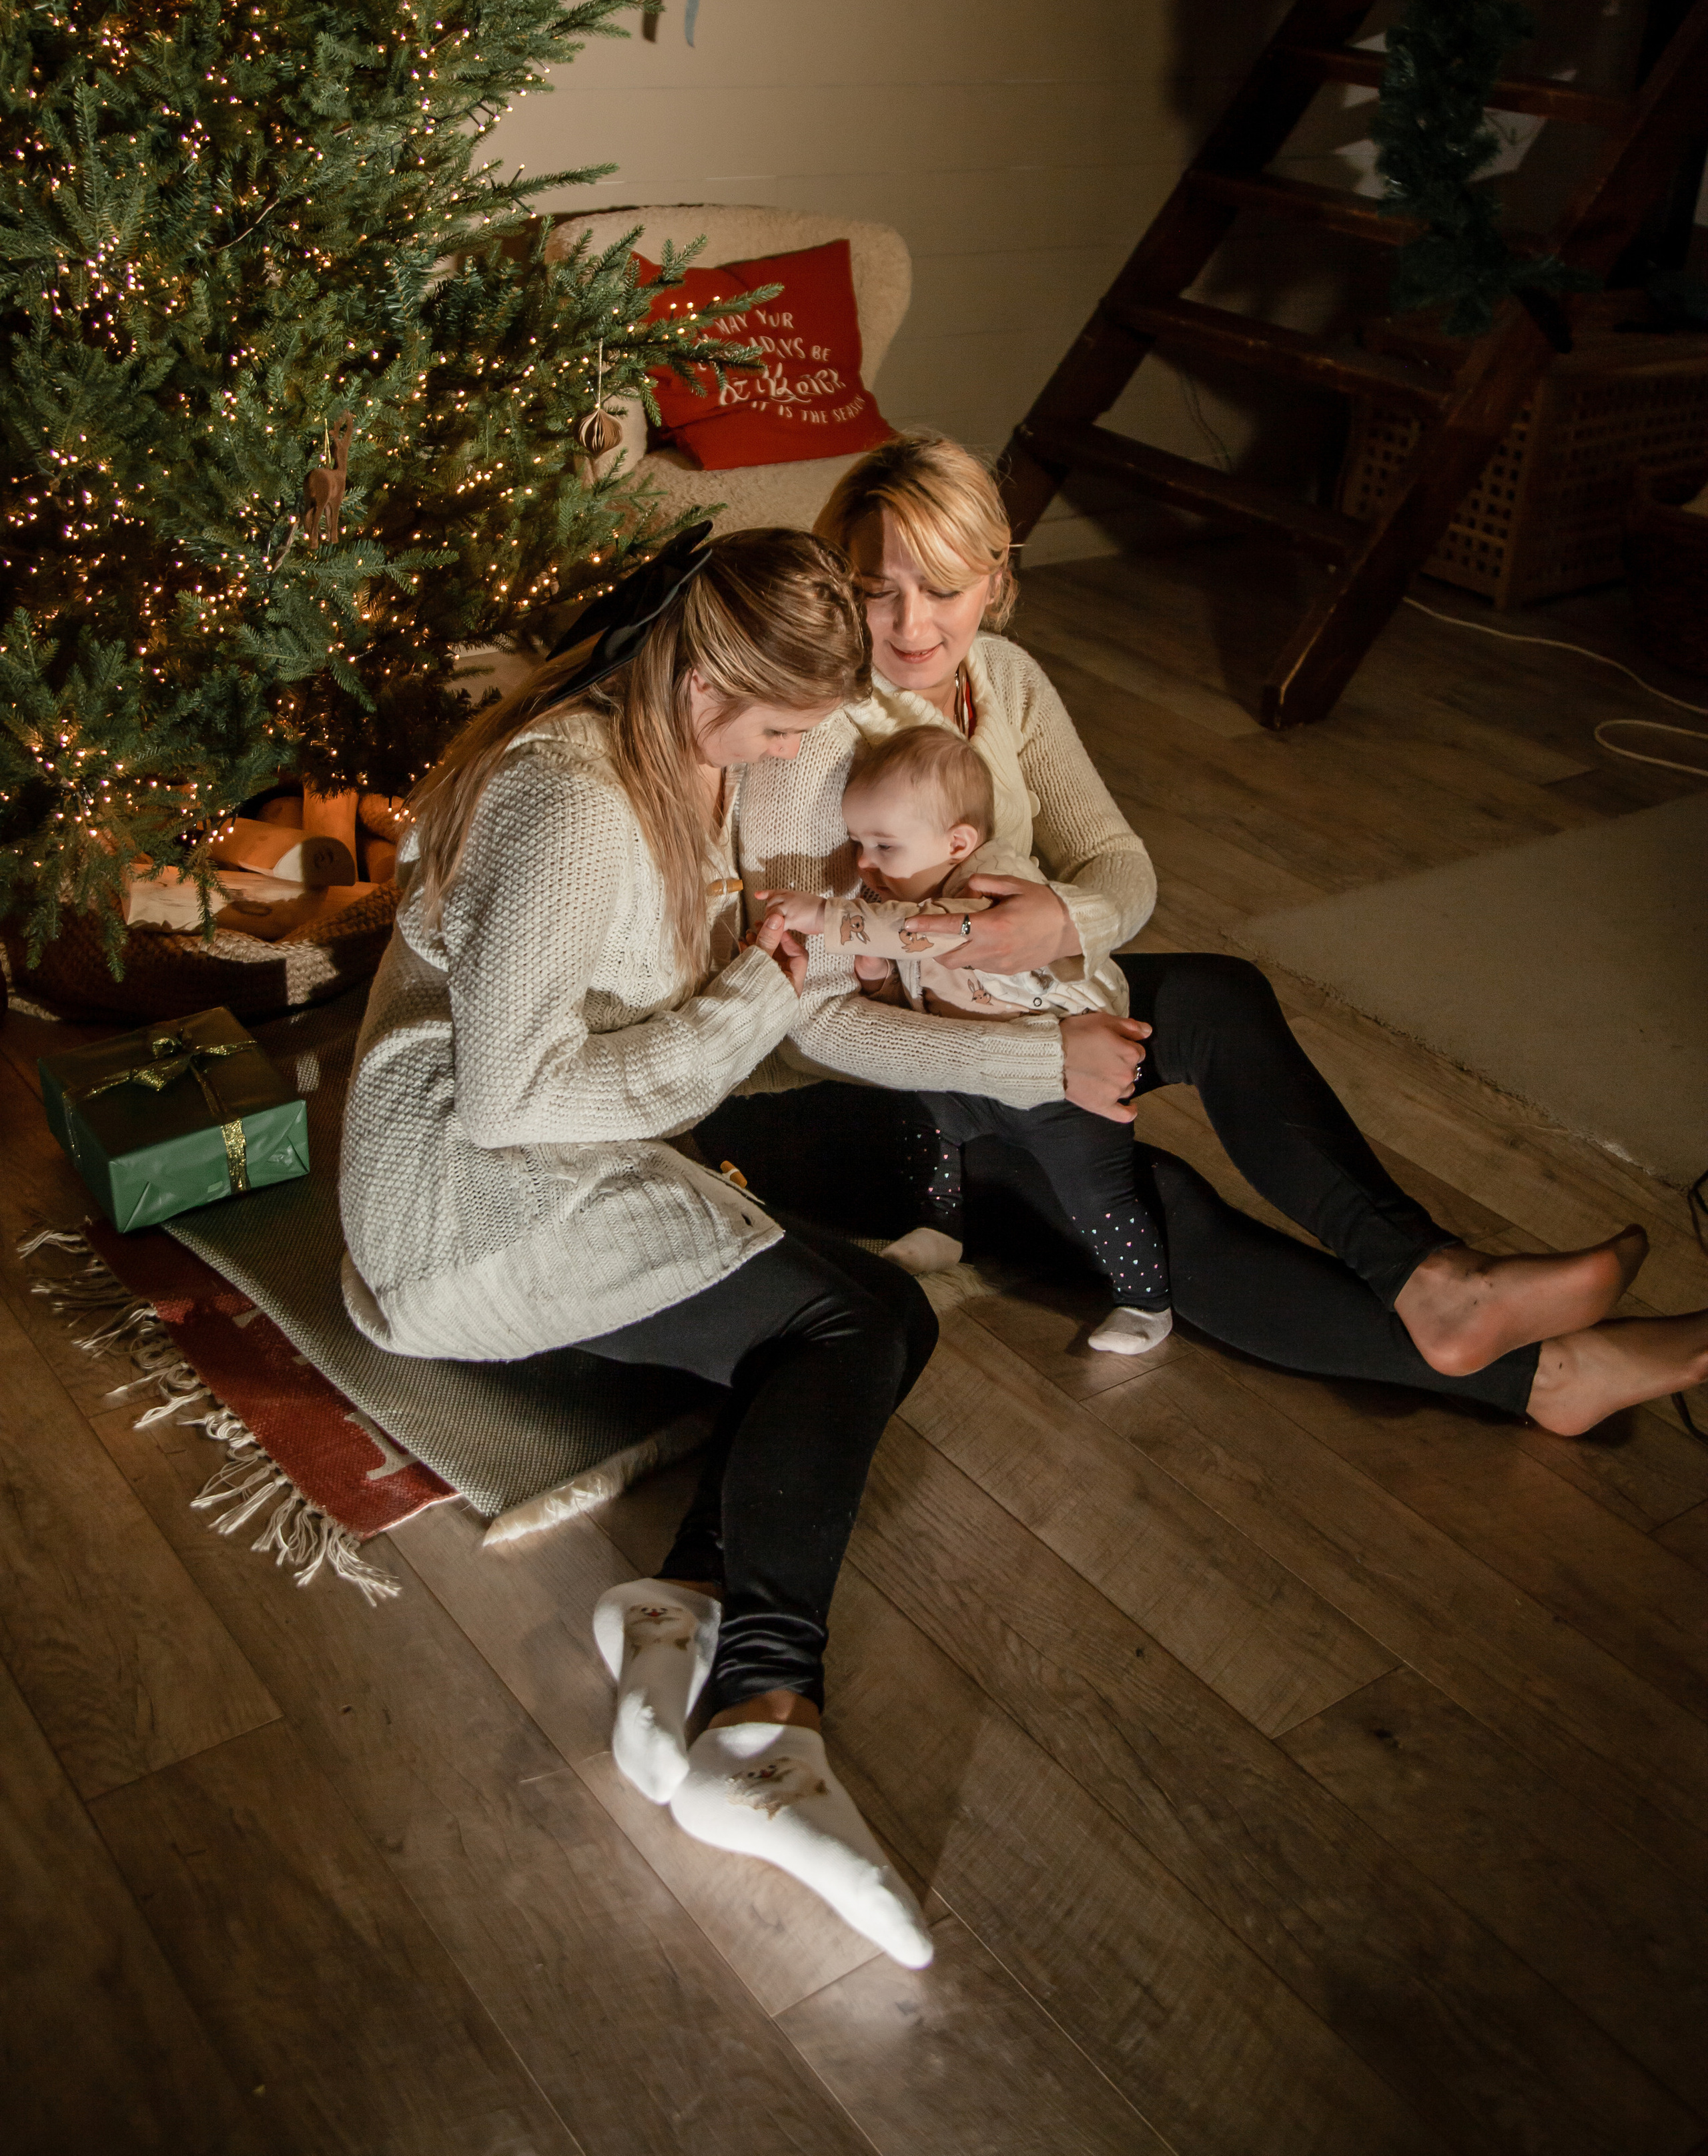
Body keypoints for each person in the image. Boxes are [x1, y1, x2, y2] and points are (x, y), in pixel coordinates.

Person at [706, 436, 1708, 1438]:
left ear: (997, 576)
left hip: (996, 1004)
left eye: (944, 586)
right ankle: (1542, 1378)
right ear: (841, 588)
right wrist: (1045, 1060)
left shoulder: (1001, 679)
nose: (914, 624)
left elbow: (1117, 860)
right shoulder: (817, 738)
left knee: (1221, 999)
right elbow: (817, 1024)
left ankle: (1431, 1278)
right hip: (857, 1099)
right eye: (879, 591)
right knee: (1149, 1190)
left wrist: (1061, 918)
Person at [337, 527, 937, 1968]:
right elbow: (513, 1100)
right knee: (845, 1327)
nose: (786, 760)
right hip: (460, 1200)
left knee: (890, 1313)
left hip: (553, 1148)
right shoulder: (573, 804)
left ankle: (683, 1598)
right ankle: (762, 1728)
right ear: (712, 682)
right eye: (779, 730)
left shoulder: (676, 750)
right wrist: (751, 998)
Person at [762, 719, 1174, 1355]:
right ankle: (941, 1227)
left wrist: (828, 917)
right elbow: (922, 998)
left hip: (1062, 1081)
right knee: (921, 1119)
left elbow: (924, 931)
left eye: (883, 846)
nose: (864, 864)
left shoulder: (988, 886)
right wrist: (878, 990)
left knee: (1096, 1194)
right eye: (856, 842)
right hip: (973, 1071)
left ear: (958, 842)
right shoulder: (913, 888)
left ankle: (1146, 1300)